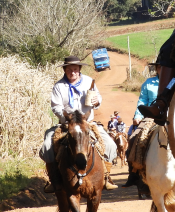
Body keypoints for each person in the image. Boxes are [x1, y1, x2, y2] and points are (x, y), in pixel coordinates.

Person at [39, 56, 118, 192]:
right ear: (65, 70)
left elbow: (98, 97)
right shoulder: (59, 86)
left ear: (79, 69)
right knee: (47, 145)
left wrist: (96, 101)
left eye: (75, 69)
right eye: (69, 70)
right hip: (66, 124)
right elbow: (55, 106)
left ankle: (106, 177)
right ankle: (53, 179)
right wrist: (66, 117)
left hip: (88, 123)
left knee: (110, 145)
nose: (72, 72)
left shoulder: (89, 81)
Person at [131, 65, 159, 136]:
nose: (162, 69)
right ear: (156, 68)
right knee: (133, 138)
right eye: (159, 67)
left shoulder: (174, 81)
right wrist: (138, 116)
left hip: (171, 116)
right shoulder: (148, 83)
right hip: (151, 117)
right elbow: (142, 100)